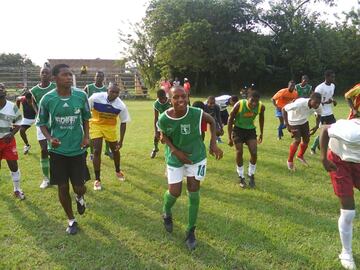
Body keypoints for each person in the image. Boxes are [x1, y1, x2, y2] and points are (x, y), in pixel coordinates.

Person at [158, 86, 223, 251]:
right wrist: (175, 150)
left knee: (194, 191)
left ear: (188, 97)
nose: (180, 100)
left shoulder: (196, 113)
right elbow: (162, 135)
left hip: (197, 158)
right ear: (170, 99)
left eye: (183, 97)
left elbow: (212, 121)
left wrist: (213, 142)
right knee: (175, 192)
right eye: (176, 97)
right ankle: (166, 211)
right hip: (175, 158)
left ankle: (190, 230)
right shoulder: (164, 118)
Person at [36, 64, 90, 235]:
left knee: (79, 187)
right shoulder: (47, 99)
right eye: (65, 75)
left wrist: (86, 136)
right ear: (55, 78)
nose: (69, 77)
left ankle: (80, 197)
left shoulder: (81, 96)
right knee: (62, 186)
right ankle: (71, 220)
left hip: (78, 150)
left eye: (70, 74)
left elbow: (86, 118)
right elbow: (41, 123)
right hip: (57, 151)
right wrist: (50, 138)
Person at [320, 119, 360, 270]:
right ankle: (346, 252)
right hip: (339, 160)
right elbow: (324, 129)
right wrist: (323, 158)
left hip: (357, 161)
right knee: (349, 212)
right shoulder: (351, 133)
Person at [88, 83, 130, 191]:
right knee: (97, 151)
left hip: (110, 128)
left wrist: (121, 141)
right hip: (96, 125)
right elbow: (86, 110)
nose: (114, 94)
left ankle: (117, 171)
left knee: (115, 150)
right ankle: (97, 180)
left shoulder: (121, 105)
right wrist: (86, 131)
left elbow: (124, 122)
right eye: (112, 91)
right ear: (107, 90)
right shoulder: (95, 97)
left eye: (117, 92)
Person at [228, 90, 265, 188]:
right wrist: (229, 137)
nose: (254, 103)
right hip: (238, 130)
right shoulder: (239, 105)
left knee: (254, 152)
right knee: (239, 152)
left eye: (256, 101)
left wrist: (261, 133)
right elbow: (230, 119)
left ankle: (251, 174)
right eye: (252, 101)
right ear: (247, 99)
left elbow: (262, 118)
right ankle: (241, 176)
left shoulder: (261, 107)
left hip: (250, 130)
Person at [30, 66, 57, 189]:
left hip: (55, 123)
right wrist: (38, 114)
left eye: (47, 72)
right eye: (43, 72)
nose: (45, 74)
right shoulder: (34, 90)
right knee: (44, 150)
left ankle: (58, 174)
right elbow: (33, 102)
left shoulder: (54, 87)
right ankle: (46, 178)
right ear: (39, 74)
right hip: (41, 123)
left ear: (51, 75)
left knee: (55, 150)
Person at [282, 92, 322, 171]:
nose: (317, 105)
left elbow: (319, 114)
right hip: (293, 121)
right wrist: (287, 125)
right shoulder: (300, 103)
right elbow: (284, 109)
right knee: (297, 140)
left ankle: (300, 156)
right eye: (315, 102)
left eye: (318, 103)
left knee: (307, 139)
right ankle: (289, 161)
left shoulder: (318, 106)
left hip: (304, 121)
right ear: (310, 100)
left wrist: (317, 126)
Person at [0, 83, 25, 200]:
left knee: (13, 165)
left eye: (1, 88)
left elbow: (19, 122)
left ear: (5, 92)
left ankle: (17, 189)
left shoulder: (12, 106)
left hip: (8, 141)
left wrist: (12, 133)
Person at [84, 71, 112, 159]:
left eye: (101, 77)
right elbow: (82, 98)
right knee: (93, 135)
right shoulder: (88, 87)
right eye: (97, 76)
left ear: (103, 78)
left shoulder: (106, 89)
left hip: (103, 115)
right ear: (94, 77)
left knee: (107, 133)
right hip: (91, 116)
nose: (99, 78)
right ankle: (92, 153)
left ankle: (107, 150)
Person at [310, 70, 337, 154]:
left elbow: (330, 97)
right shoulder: (319, 88)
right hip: (320, 112)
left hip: (329, 112)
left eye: (334, 76)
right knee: (324, 131)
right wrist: (325, 102)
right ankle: (313, 147)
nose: (333, 78)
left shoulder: (333, 86)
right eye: (332, 76)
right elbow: (314, 102)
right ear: (326, 77)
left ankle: (321, 145)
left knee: (333, 129)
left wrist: (333, 100)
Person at [151, 89, 172, 158]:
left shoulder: (170, 102)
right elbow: (156, 118)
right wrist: (156, 131)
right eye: (160, 99)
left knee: (171, 138)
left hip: (171, 121)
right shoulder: (156, 104)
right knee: (156, 137)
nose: (162, 100)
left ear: (165, 96)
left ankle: (173, 151)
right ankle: (155, 148)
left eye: (163, 98)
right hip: (161, 122)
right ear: (157, 97)